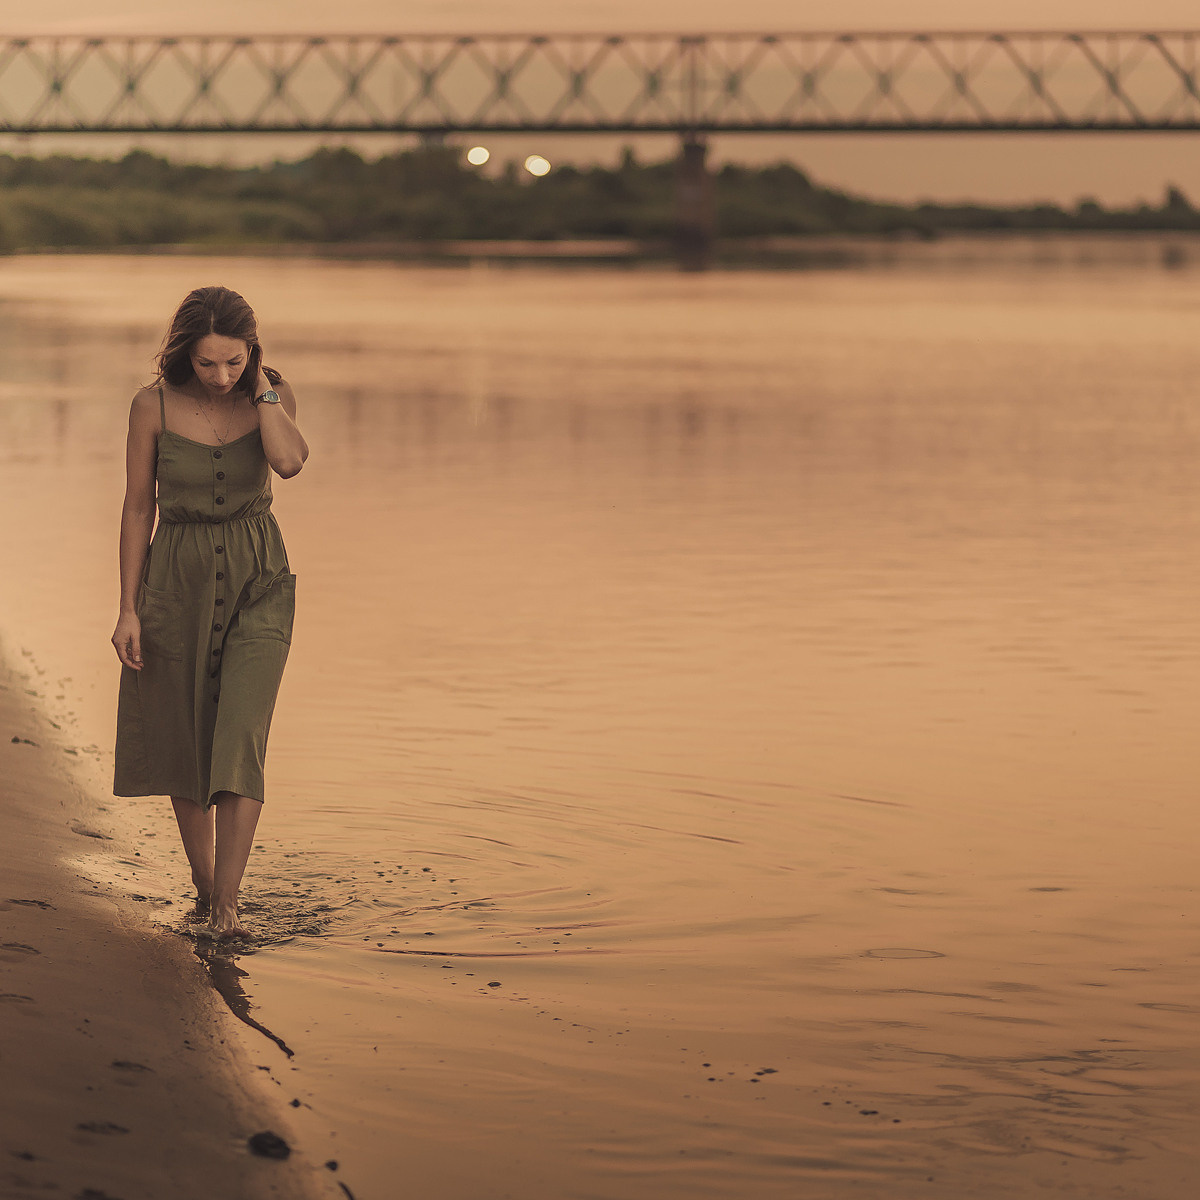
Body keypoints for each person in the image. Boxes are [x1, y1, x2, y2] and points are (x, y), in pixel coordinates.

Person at [111, 286, 309, 940]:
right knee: (188, 742)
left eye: (234, 362)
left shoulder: (270, 397)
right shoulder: (151, 407)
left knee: (239, 737)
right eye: (207, 364)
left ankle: (227, 908)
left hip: (260, 581)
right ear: (182, 355)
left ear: (253, 353)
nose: (220, 377)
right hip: (176, 580)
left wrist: (265, 392)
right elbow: (139, 506)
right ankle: (203, 887)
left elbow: (288, 462)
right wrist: (128, 609)